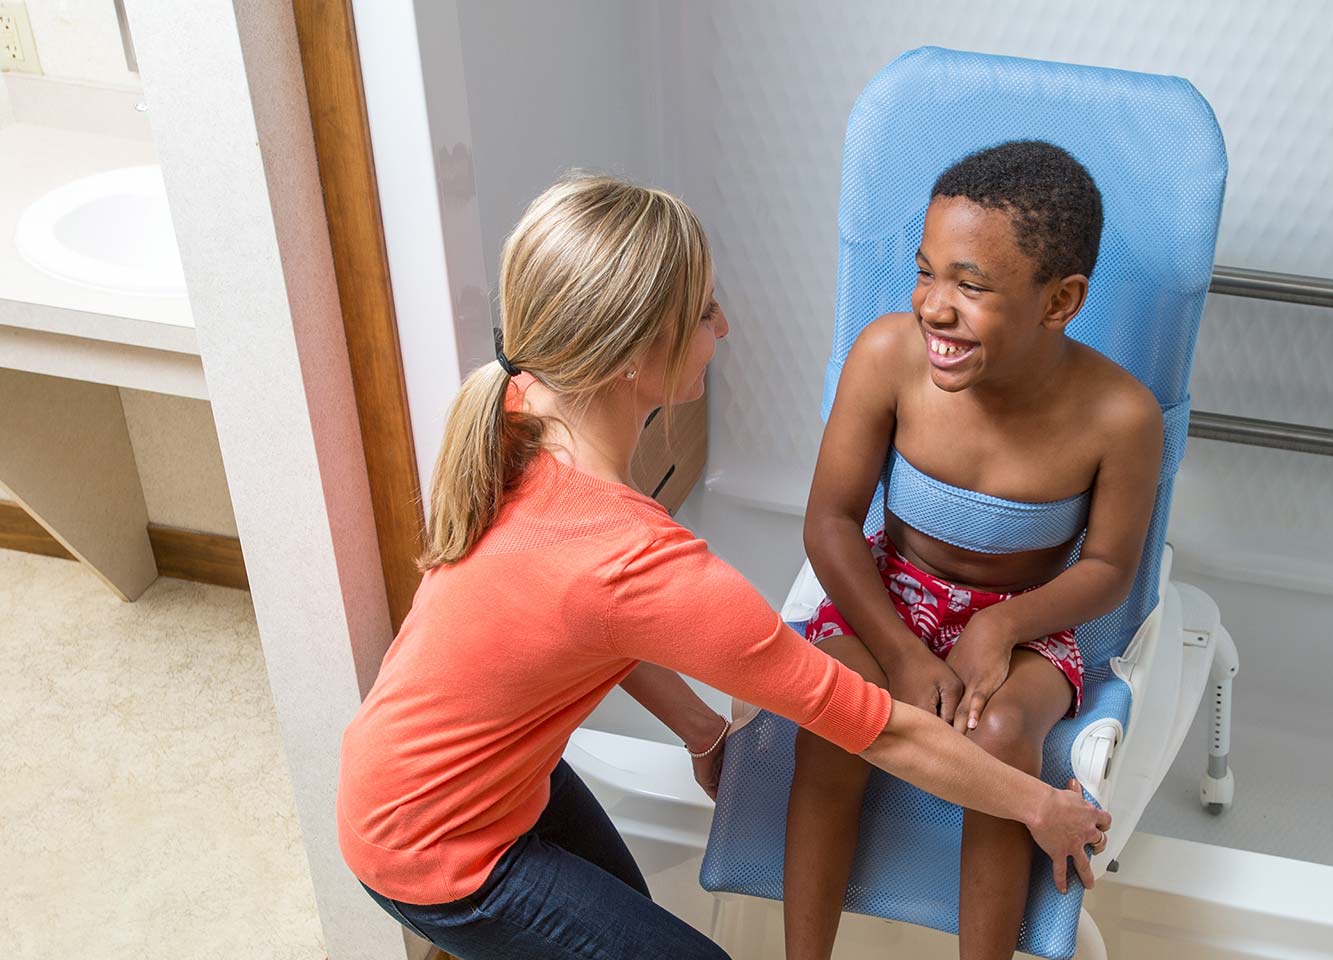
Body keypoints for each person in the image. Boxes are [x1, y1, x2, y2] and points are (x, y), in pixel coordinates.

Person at [335, 174, 1111, 960]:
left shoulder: (522, 409)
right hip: (431, 847)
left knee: (621, 914)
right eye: (707, 312)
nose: (725, 326)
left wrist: (702, 730)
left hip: (442, 783)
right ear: (641, 352)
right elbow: (878, 730)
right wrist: (1042, 807)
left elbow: (588, 620)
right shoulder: (641, 557)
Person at [784, 141, 1163, 960]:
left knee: (999, 736)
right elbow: (831, 523)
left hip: (1023, 622)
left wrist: (999, 629)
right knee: (839, 702)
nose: (933, 307)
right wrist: (899, 651)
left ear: (1059, 301)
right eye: (925, 273)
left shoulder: (1120, 416)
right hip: (889, 594)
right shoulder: (888, 358)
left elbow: (1108, 571)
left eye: (971, 285)